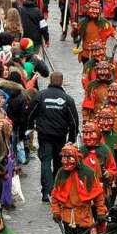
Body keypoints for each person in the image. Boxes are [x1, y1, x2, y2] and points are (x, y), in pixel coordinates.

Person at [28, 71, 79, 203]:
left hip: (44, 134)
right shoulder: (67, 99)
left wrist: (29, 128)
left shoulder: (41, 96)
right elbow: (73, 121)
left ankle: (46, 191)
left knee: (45, 161)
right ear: (61, 82)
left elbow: (30, 113)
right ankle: (56, 188)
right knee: (58, 162)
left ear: (50, 80)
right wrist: (72, 139)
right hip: (60, 135)